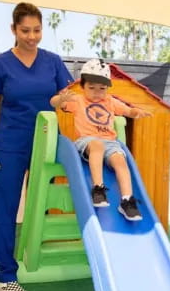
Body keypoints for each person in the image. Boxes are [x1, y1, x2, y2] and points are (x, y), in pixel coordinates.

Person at [0, 2, 73, 291]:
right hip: (11, 144)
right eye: (25, 30)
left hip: (47, 143)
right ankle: (6, 276)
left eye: (37, 30)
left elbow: (68, 100)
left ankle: (39, 256)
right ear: (14, 30)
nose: (32, 36)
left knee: (43, 204)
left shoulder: (53, 61)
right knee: (5, 208)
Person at [50, 59, 151, 221]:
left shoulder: (110, 101)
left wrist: (136, 112)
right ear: (82, 86)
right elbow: (53, 102)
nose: (97, 92)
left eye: (102, 88)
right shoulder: (78, 100)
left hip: (110, 142)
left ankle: (126, 200)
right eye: (91, 88)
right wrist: (61, 99)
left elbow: (127, 110)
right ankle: (98, 189)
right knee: (97, 146)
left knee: (120, 160)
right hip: (87, 141)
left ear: (107, 88)